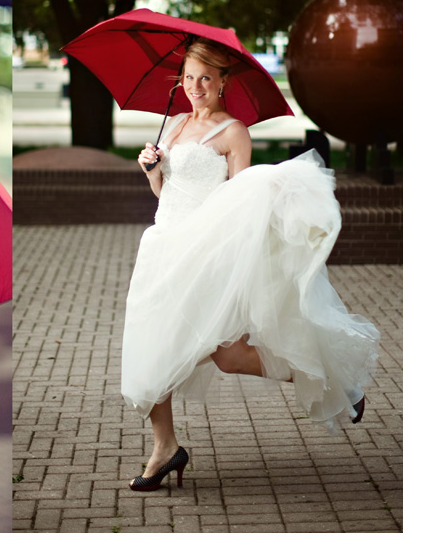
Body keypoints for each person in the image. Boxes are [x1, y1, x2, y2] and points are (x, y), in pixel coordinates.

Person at [121, 39, 380, 491]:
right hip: (162, 247)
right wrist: (152, 171)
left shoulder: (233, 131)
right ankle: (165, 448)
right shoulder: (174, 126)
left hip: (208, 252)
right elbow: (167, 197)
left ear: (223, 82)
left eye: (206, 77)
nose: (196, 86)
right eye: (188, 78)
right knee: (160, 349)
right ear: (178, 82)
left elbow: (240, 202)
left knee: (227, 356)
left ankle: (331, 379)